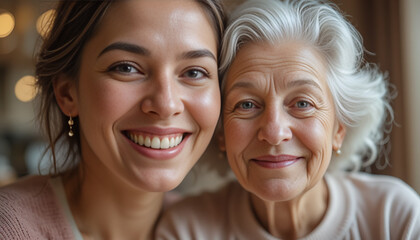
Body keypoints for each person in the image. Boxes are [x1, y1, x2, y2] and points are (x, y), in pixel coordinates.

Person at [156, 0, 420, 239]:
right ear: (221, 132)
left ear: (339, 129)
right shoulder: (188, 230)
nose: (273, 132)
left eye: (303, 104)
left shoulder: (393, 217)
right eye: (247, 104)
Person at [0, 0, 225, 239]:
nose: (166, 105)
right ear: (67, 93)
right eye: (126, 68)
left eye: (194, 72)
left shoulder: (217, 231)